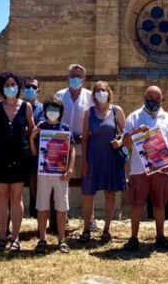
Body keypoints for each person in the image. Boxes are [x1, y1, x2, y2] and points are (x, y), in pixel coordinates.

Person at [121, 85, 168, 251]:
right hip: (139, 169)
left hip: (161, 170)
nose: (153, 101)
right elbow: (124, 142)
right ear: (144, 97)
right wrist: (136, 133)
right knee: (137, 204)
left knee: (160, 204)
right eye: (150, 98)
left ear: (161, 100)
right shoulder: (134, 117)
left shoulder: (167, 118)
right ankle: (133, 238)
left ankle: (160, 237)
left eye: (156, 99)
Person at [0, 71, 34, 251]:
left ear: (18, 87)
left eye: (13, 84)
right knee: (2, 197)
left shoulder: (26, 107)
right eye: (7, 85)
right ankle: (2, 236)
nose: (10, 88)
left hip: (21, 156)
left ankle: (16, 237)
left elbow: (32, 131)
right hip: (0, 156)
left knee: (16, 197)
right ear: (1, 88)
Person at [79, 81, 127, 243]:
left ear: (109, 92)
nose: (101, 93)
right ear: (93, 94)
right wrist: (84, 160)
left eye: (104, 90)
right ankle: (87, 228)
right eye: (98, 90)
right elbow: (85, 138)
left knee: (110, 192)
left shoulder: (116, 111)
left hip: (111, 157)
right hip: (93, 157)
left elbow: (126, 133)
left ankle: (107, 228)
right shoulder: (89, 113)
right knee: (88, 193)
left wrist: (120, 142)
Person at [30, 97, 76, 254]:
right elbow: (35, 152)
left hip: (61, 173)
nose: (52, 113)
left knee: (62, 206)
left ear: (61, 112)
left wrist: (70, 169)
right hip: (43, 172)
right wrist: (32, 138)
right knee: (42, 205)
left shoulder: (65, 128)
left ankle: (62, 239)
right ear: (45, 111)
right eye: (50, 109)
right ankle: (42, 238)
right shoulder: (40, 127)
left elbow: (72, 150)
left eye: (56, 110)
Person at [55, 64, 94, 228]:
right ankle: (63, 217)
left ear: (84, 79)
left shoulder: (91, 97)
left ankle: (89, 219)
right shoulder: (59, 95)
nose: (75, 78)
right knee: (63, 182)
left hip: (83, 146)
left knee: (87, 181)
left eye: (78, 76)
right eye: (72, 75)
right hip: (62, 147)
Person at [23, 76, 44, 217]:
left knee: (36, 182)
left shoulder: (43, 108)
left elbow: (39, 128)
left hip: (37, 151)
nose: (30, 89)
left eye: (34, 87)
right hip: (20, 151)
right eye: (27, 87)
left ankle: (37, 216)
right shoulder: (17, 107)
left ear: (38, 90)